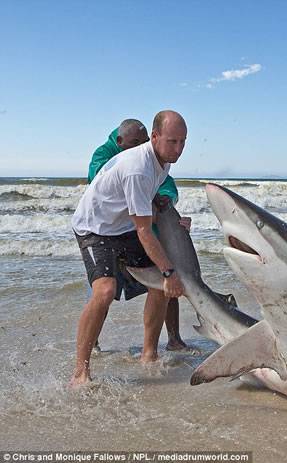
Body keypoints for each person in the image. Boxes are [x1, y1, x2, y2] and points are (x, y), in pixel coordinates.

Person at [69, 110, 189, 387]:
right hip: (95, 228)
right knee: (106, 291)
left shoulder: (162, 160)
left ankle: (149, 354)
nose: (179, 149)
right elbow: (144, 230)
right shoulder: (138, 168)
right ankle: (80, 372)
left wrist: (170, 215)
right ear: (155, 137)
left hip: (122, 225)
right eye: (172, 141)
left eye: (183, 142)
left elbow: (148, 208)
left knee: (159, 286)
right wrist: (170, 272)